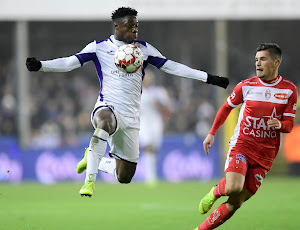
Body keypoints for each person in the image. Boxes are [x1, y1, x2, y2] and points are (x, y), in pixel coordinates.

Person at [26, 7, 229, 197]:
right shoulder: (99, 48)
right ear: (117, 26)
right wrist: (41, 66)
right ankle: (89, 181)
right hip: (107, 107)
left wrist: (209, 78)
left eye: (136, 26)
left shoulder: (144, 50)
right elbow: (69, 62)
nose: (134, 29)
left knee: (124, 176)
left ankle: (93, 158)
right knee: (104, 122)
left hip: (131, 117)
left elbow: (173, 67)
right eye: (130, 26)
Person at [189, 43, 298, 230]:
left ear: (276, 62)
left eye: (263, 59)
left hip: (266, 155)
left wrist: (280, 124)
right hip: (242, 145)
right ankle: (215, 192)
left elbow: (289, 125)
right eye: (256, 59)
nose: (258, 63)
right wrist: (212, 133)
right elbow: (225, 108)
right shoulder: (246, 86)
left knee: (236, 202)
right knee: (233, 186)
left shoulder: (289, 90)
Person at [139, 70, 172, 186]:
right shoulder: (138, 92)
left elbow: (168, 108)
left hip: (156, 121)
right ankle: (149, 176)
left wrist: (157, 103)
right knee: (146, 146)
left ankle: (153, 174)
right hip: (143, 122)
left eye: (148, 78)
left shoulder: (159, 92)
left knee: (154, 148)